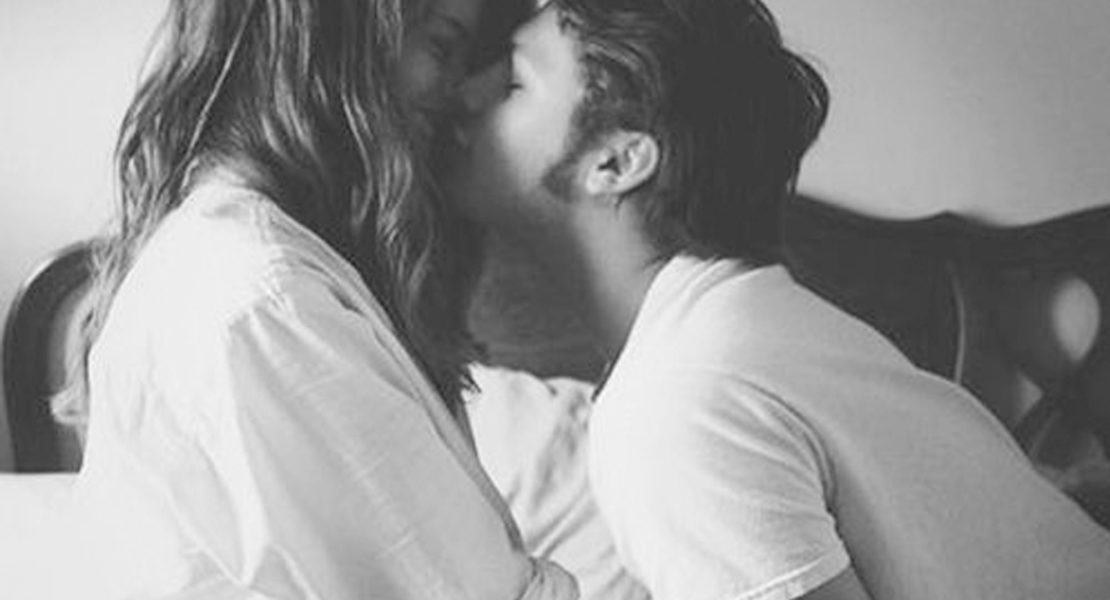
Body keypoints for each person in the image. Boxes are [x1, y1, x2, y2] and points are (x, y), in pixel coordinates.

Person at [442, 0, 1110, 598]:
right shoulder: (747, 320)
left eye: (511, 84)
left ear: (616, 162)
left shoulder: (676, 406)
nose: (464, 94)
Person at [19, 0, 580, 598]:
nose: (456, 93)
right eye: (440, 47)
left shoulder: (257, 267)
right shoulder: (262, 300)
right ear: (342, 40)